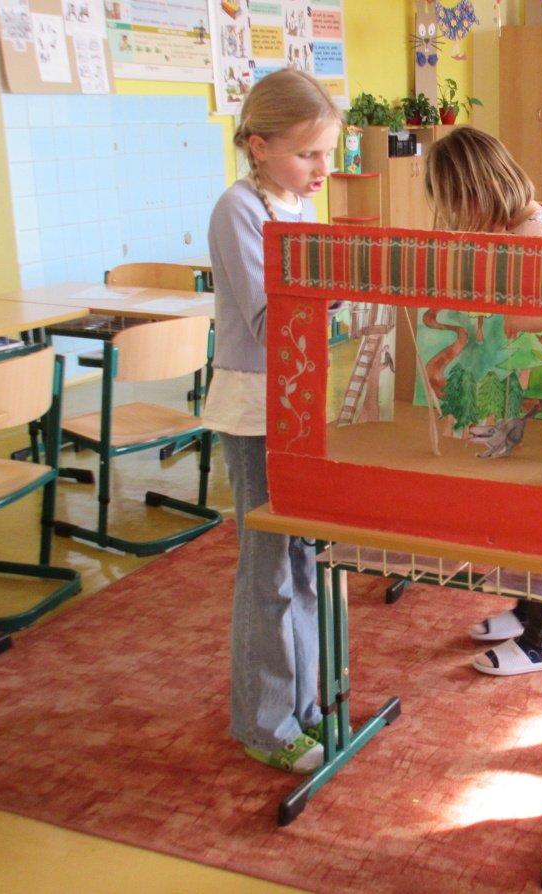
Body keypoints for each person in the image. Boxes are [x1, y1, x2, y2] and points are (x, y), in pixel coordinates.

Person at [205, 68, 342, 773]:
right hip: (256, 410)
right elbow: (269, 321)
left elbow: (313, 307)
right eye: (307, 154)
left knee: (304, 562)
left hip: (299, 405)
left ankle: (304, 702)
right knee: (269, 572)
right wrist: (334, 291)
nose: (322, 169)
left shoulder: (297, 206)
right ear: (258, 146)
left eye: (327, 153)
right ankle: (265, 722)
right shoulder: (240, 209)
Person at [422, 125, 542, 676]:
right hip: (525, 387)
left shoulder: (535, 236)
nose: (457, 221)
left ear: (479, 192)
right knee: (520, 508)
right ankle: (526, 611)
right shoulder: (518, 227)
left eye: (457, 207)